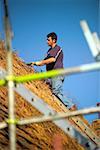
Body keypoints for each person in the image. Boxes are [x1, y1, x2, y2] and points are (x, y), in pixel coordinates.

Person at [27, 32, 76, 110]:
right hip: (50, 75)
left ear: (54, 40)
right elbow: (44, 61)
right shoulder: (49, 51)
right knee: (45, 86)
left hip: (57, 73)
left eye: (48, 40)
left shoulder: (57, 48)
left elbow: (52, 59)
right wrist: (35, 63)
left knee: (56, 91)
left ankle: (71, 106)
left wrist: (40, 62)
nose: (47, 41)